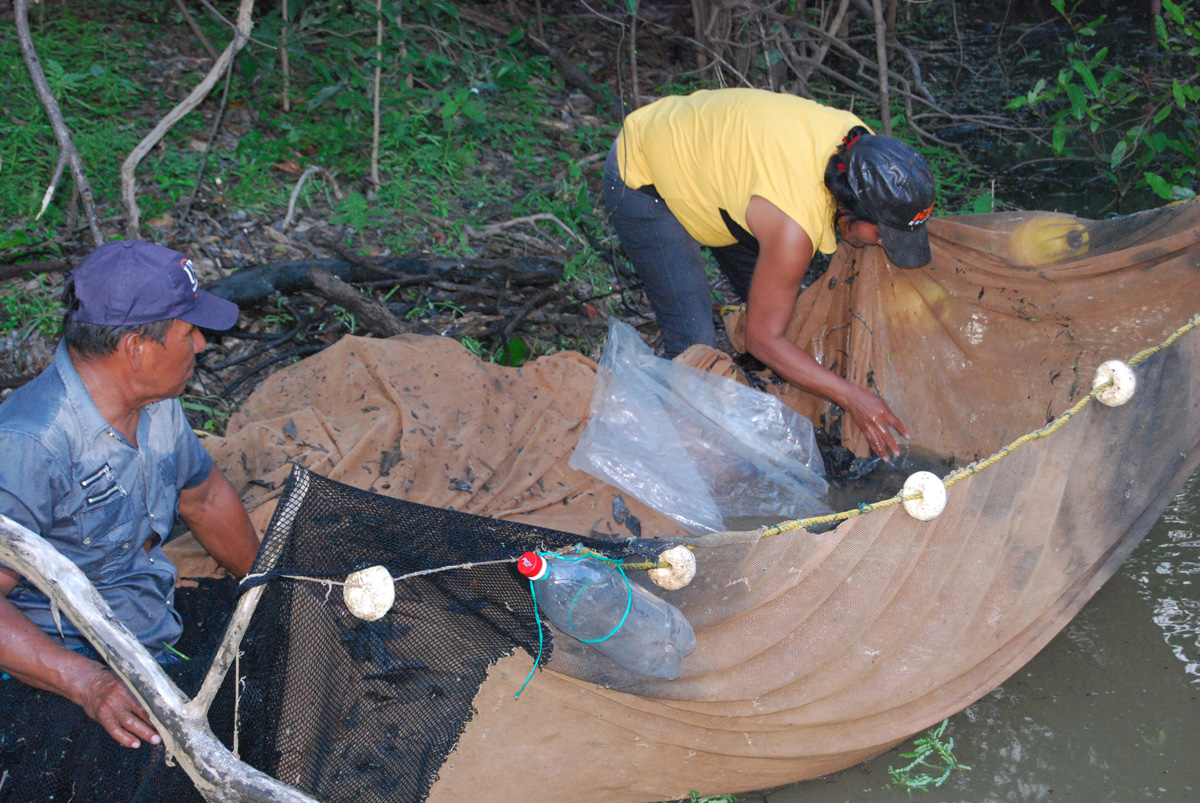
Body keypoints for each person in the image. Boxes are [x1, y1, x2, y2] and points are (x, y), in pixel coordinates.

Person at [0, 240, 260, 751]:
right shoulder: (32, 444)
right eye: (190, 332)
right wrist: (88, 684)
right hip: (61, 666)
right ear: (136, 347)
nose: (202, 345)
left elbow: (203, 498)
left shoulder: (157, 403)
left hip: (150, 630)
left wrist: (269, 581)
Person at [603, 88, 936, 459]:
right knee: (695, 345)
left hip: (723, 170)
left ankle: (748, 395)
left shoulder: (866, 155)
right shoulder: (794, 227)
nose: (882, 246)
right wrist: (851, 396)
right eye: (882, 236)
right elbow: (763, 339)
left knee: (783, 321)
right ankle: (688, 461)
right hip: (646, 170)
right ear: (852, 213)